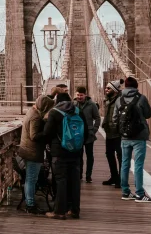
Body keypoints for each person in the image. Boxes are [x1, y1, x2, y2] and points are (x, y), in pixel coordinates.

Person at [42, 91, 84, 219]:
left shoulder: (54, 112)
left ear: (57, 101)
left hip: (60, 152)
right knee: (75, 182)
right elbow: (85, 131)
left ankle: (59, 211)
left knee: (61, 181)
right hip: (76, 152)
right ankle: (74, 210)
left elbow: (47, 133)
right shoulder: (78, 111)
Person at [116, 76, 151, 203]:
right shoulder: (141, 98)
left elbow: (115, 118)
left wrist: (122, 131)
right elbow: (148, 114)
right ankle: (139, 194)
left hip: (124, 137)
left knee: (124, 164)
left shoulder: (119, 99)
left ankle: (125, 192)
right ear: (136, 86)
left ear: (125, 86)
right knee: (138, 165)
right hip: (139, 136)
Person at [17, 95, 56, 214]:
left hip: (27, 150)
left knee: (30, 178)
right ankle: (30, 205)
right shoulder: (36, 117)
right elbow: (34, 136)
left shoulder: (31, 111)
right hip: (33, 152)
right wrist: (47, 133)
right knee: (31, 179)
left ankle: (30, 202)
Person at [74, 86, 101, 183]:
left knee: (90, 155)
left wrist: (94, 130)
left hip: (89, 134)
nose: (79, 97)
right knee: (78, 155)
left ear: (85, 95)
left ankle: (88, 175)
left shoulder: (92, 105)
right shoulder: (73, 104)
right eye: (78, 95)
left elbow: (97, 118)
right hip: (77, 133)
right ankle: (79, 174)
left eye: (81, 95)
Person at [101, 80, 124, 187]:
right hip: (109, 131)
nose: (106, 90)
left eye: (108, 88)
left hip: (118, 133)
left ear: (114, 90)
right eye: (106, 88)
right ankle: (114, 176)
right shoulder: (107, 100)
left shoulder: (120, 100)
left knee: (120, 156)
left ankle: (121, 179)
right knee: (109, 154)